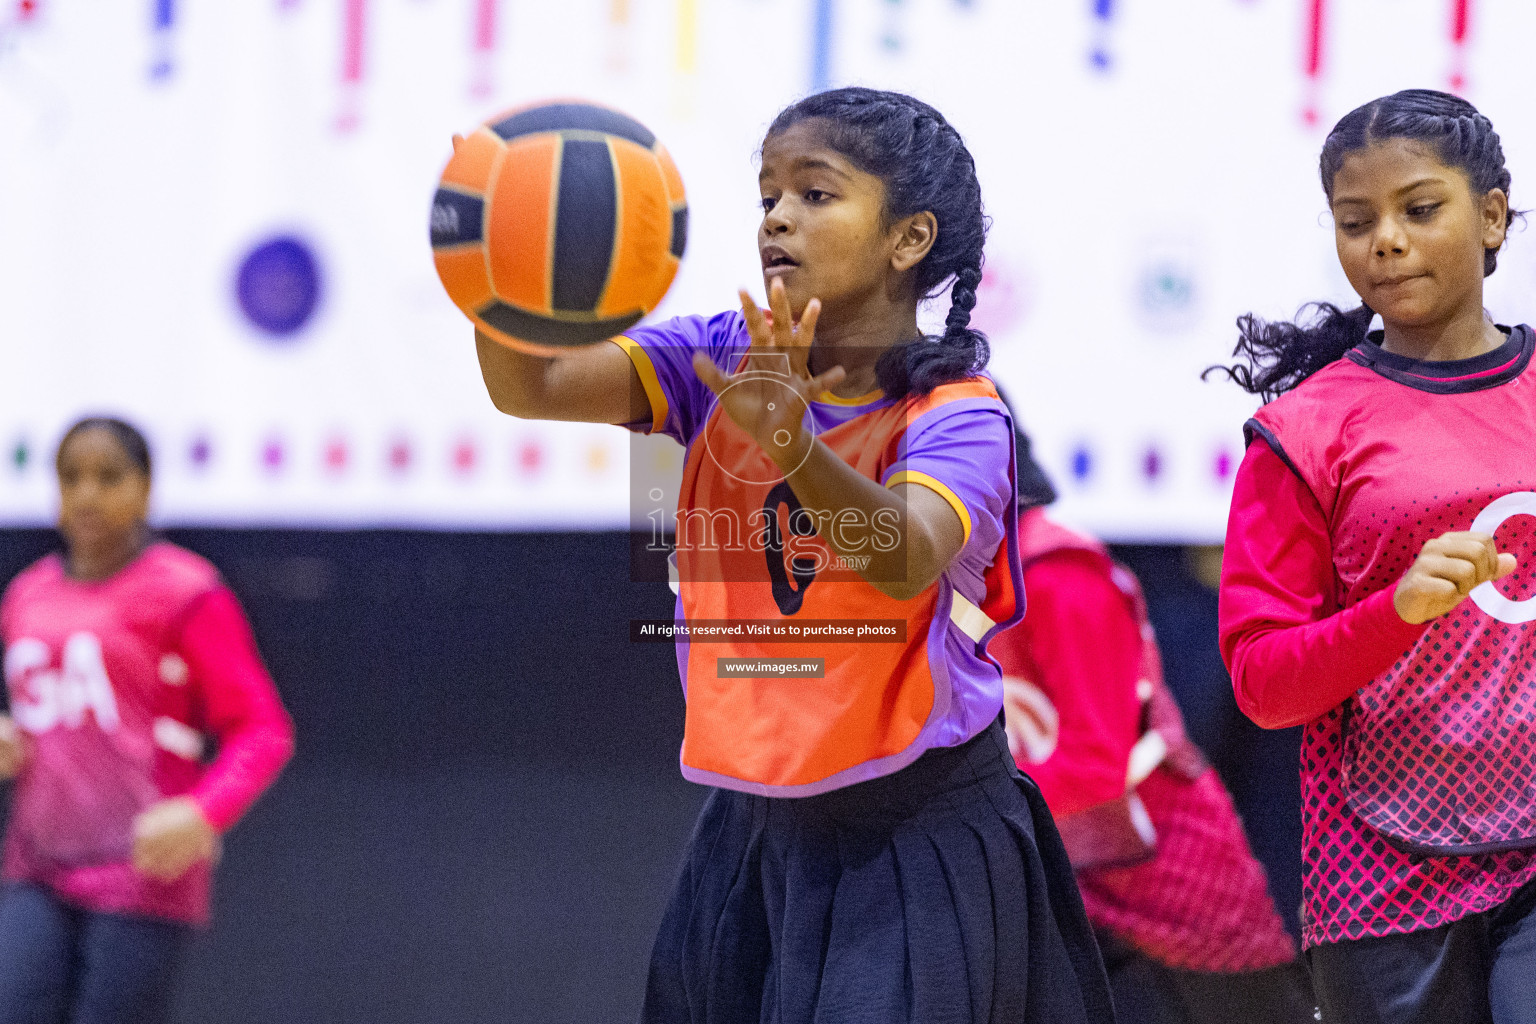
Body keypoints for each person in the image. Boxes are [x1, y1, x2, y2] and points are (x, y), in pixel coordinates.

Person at [474, 87, 1113, 1022]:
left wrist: (795, 447)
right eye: (767, 194)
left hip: (915, 835)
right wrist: (497, 267)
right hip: (752, 835)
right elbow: (533, 384)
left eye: (816, 194)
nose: (776, 216)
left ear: (910, 240)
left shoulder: (959, 414)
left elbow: (900, 557)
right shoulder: (719, 353)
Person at [1212, 89, 1536, 1023]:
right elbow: (1264, 685)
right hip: (1382, 867)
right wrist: (1394, 612)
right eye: (1357, 222)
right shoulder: (1305, 431)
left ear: (1492, 216)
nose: (1384, 241)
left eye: (1419, 210)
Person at [987, 421, 1314, 1024]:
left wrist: (966, 818)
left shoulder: (1057, 573)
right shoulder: (960, 581)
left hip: (1167, 893)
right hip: (1071, 882)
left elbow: (1095, 766)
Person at [0, 417, 295, 1023]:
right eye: (70, 477)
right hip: (37, 862)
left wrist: (202, 811)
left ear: (146, 490)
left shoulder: (186, 592)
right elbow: (36, 720)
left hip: (140, 869)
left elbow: (262, 728)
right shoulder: (26, 597)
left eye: (108, 477)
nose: (86, 494)